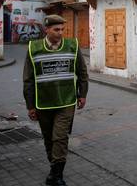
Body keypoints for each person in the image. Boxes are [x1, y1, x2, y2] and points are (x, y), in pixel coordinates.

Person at [23, 14, 89, 186]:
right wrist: (30, 106)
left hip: (66, 101)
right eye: (56, 29)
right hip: (43, 103)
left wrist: (82, 94)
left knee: (59, 137)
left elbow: (82, 72)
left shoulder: (72, 46)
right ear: (47, 30)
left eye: (62, 29)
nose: (60, 33)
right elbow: (28, 80)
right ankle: (54, 171)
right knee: (48, 139)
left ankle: (57, 175)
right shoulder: (33, 48)